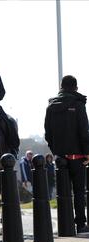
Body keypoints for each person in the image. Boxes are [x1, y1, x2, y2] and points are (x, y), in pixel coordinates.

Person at [45, 75, 89, 233]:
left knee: (63, 193)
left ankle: (66, 225)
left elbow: (48, 135)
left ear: (61, 87)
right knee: (78, 192)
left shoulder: (51, 107)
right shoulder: (79, 105)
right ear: (75, 87)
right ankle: (81, 225)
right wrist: (87, 153)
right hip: (77, 157)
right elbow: (84, 132)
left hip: (60, 157)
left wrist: (56, 152)